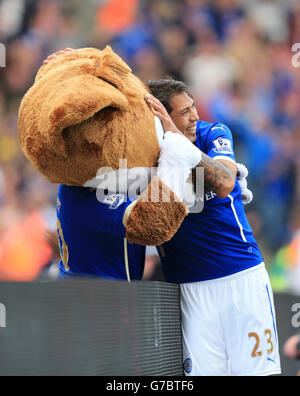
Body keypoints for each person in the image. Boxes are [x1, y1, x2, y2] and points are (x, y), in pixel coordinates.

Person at [145, 79, 281, 376]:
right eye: (184, 112)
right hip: (190, 290)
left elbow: (224, 182)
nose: (195, 116)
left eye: (193, 106)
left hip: (241, 277)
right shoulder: (147, 154)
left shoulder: (214, 133)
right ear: (162, 117)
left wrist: (176, 138)